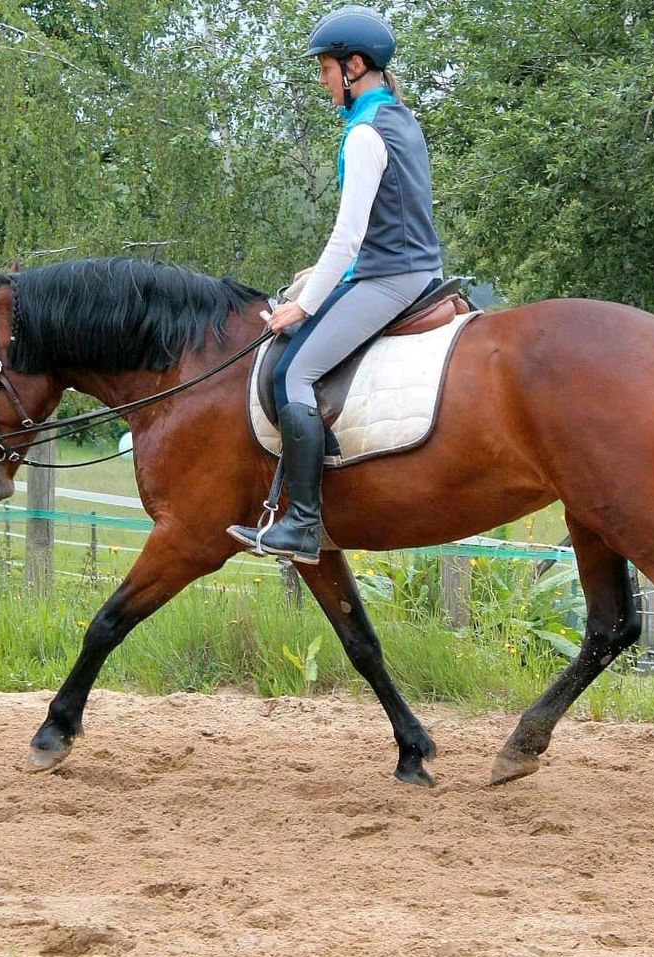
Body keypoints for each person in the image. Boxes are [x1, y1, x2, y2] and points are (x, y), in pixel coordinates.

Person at [228, 4, 443, 564]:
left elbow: (349, 238)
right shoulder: (397, 117)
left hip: (389, 279)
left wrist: (302, 308)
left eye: (325, 70)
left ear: (353, 66)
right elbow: (379, 225)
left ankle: (302, 522)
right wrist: (315, 278)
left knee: (294, 372)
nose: (323, 82)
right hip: (411, 268)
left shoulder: (365, 134)